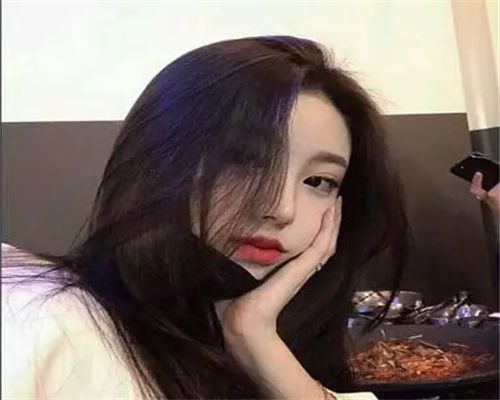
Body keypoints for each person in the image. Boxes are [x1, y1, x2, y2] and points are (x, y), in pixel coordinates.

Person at [2, 36, 409, 399]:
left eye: (319, 181)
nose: (281, 209)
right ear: (160, 159)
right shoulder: (38, 317)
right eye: (245, 160)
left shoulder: (278, 337)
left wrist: (256, 337)